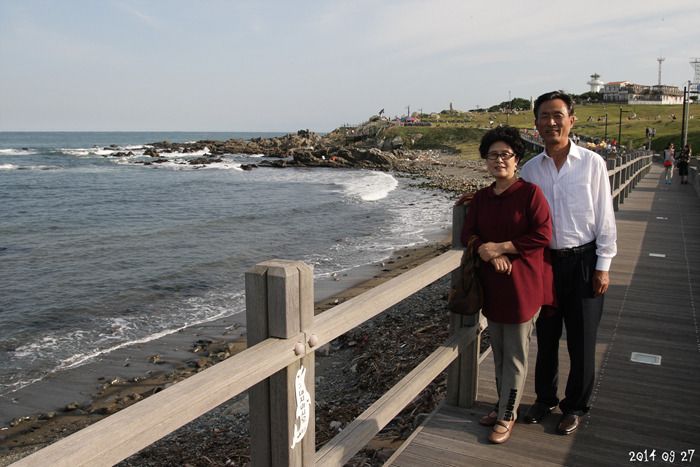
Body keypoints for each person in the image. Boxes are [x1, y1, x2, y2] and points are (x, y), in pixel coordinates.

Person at [520, 91, 617, 435]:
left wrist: (603, 265)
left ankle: (575, 406)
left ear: (571, 120)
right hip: (545, 264)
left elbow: (605, 216)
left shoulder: (592, 163)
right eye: (544, 116)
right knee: (546, 337)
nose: (551, 122)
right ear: (536, 124)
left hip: (584, 261)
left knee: (582, 339)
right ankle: (544, 398)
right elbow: (517, 211)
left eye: (557, 115)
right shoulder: (530, 170)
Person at [460, 126, 554, 444]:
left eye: (505, 155)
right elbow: (468, 233)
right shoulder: (483, 197)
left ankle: (507, 414)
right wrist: (486, 252)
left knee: (515, 355)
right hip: (494, 286)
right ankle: (503, 406)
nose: (498, 160)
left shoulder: (530, 194)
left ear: (517, 160)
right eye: (492, 155)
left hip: (522, 286)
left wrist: (501, 248)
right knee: (499, 351)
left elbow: (543, 234)